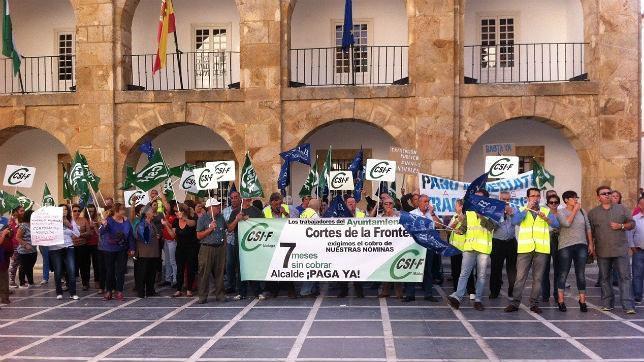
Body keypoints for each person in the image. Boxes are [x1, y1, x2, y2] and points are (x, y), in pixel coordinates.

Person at [505, 188, 560, 314]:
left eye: (537, 196)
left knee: (538, 278)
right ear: (528, 198)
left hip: (541, 249)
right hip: (525, 248)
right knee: (520, 278)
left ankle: (534, 303)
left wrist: (546, 219)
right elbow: (515, 221)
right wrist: (526, 209)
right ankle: (515, 303)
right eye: (532, 196)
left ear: (540, 197)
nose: (535, 198)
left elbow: (556, 225)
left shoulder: (546, 210)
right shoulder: (521, 210)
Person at [588, 186, 636, 314]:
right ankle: (607, 303)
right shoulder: (593, 213)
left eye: (609, 193)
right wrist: (591, 246)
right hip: (602, 251)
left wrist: (621, 226)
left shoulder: (622, 209)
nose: (607, 195)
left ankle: (628, 306)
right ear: (598, 197)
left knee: (625, 277)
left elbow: (632, 224)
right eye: (604, 194)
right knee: (604, 278)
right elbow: (590, 232)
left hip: (620, 250)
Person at [447, 190, 495, 311]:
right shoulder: (469, 212)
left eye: (479, 198)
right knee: (464, 274)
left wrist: (481, 216)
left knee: (481, 275)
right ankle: (458, 297)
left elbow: (492, 227)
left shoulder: (492, 211)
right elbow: (464, 228)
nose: (476, 200)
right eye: (475, 198)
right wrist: (460, 231)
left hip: (483, 249)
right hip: (469, 247)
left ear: (485, 200)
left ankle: (478, 300)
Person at [555, 190, 593, 312]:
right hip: (566, 246)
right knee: (563, 273)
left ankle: (582, 301)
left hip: (581, 244)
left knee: (581, 274)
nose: (576, 200)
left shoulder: (582, 211)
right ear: (566, 200)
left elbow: (588, 227)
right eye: (573, 198)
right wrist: (575, 210)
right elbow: (566, 223)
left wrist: (590, 243)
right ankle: (560, 301)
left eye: (576, 197)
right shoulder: (560, 212)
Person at [403, 194, 442, 302]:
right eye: (425, 201)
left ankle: (428, 294)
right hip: (415, 246)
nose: (427, 204)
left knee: (428, 270)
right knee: (412, 269)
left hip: (428, 246)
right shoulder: (412, 214)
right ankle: (410, 295)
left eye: (428, 202)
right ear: (419, 203)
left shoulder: (431, 214)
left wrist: (432, 213)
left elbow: (440, 226)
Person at [226, 197, 264, 300]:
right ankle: (241, 292)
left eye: (248, 198)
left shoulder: (257, 211)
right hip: (239, 244)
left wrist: (250, 220)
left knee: (253, 267)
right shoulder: (235, 212)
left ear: (251, 199)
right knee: (240, 268)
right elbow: (229, 229)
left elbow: (264, 226)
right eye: (244, 197)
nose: (246, 200)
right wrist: (237, 219)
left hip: (253, 244)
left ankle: (258, 291)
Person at [262, 192, 297, 299]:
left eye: (280, 203)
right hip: (271, 242)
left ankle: (290, 290)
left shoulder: (289, 208)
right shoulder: (265, 211)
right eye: (276, 204)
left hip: (285, 241)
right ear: (271, 203)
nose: (279, 206)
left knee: (286, 266)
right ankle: (273, 290)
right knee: (272, 266)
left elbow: (296, 223)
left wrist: (286, 214)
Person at [99, 203, 135, 301]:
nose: (124, 211)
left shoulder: (126, 221)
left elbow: (130, 235)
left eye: (124, 209)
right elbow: (101, 232)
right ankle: (109, 291)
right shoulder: (108, 220)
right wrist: (104, 225)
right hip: (109, 249)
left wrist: (132, 248)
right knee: (110, 271)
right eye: (122, 209)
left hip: (122, 249)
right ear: (116, 211)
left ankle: (119, 292)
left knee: (121, 271)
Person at [196, 198, 227, 304]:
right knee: (204, 272)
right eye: (216, 206)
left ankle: (220, 294)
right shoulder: (202, 219)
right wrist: (209, 229)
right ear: (210, 208)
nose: (218, 207)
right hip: (206, 248)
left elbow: (228, 229)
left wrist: (237, 219)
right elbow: (199, 236)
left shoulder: (221, 218)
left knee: (220, 272)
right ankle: (203, 296)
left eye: (218, 205)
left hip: (220, 247)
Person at [49, 204, 80, 300]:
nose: (64, 211)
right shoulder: (52, 221)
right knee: (58, 271)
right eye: (62, 209)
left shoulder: (71, 221)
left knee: (71, 270)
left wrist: (69, 225)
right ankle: (59, 292)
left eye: (66, 209)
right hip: (55, 248)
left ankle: (73, 293)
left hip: (68, 247)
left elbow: (77, 234)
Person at [336, 196, 366, 298]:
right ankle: (343, 291)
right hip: (344, 246)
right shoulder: (341, 214)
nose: (352, 204)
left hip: (357, 246)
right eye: (349, 203)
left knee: (358, 270)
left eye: (353, 203)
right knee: (343, 269)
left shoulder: (360, 213)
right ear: (345, 204)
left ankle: (359, 291)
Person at [489, 191, 517, 299]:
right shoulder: (494, 211)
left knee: (512, 268)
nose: (506, 202)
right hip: (498, 242)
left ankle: (512, 289)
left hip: (511, 241)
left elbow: (518, 222)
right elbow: (492, 227)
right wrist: (501, 215)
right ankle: (494, 291)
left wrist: (512, 214)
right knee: (496, 268)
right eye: (503, 199)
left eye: (508, 200)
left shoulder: (514, 210)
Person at [448, 199, 476, 299]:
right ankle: (457, 291)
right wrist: (457, 220)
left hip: (466, 248)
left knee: (467, 271)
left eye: (456, 205)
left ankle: (471, 291)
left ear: (461, 207)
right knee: (456, 271)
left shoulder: (469, 217)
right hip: (454, 248)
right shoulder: (455, 216)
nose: (455, 207)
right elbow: (448, 229)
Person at [169, 203, 198, 297]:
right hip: (180, 248)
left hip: (191, 248)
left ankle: (189, 289)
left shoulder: (192, 218)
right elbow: (173, 235)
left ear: (183, 211)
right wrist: (166, 225)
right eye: (175, 212)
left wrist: (184, 218)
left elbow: (192, 224)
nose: (176, 213)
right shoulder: (175, 221)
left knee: (190, 269)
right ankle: (178, 289)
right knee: (179, 269)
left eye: (177, 211)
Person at [378, 195, 403, 299]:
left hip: (397, 246)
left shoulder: (399, 215)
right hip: (385, 247)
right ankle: (385, 291)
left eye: (390, 203)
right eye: (386, 203)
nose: (388, 205)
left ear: (393, 205)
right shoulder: (380, 217)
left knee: (397, 268)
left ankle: (399, 293)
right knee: (386, 269)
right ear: (382, 205)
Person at [134, 205, 162, 298]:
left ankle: (150, 290)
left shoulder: (151, 223)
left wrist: (156, 236)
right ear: (146, 214)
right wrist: (154, 236)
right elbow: (144, 237)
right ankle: (141, 291)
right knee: (143, 272)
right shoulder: (142, 224)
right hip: (144, 252)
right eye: (151, 211)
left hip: (152, 252)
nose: (153, 212)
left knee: (151, 272)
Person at [299, 198, 321, 298]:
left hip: (304, 243)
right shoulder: (314, 215)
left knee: (308, 268)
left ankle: (311, 289)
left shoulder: (304, 213)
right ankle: (306, 290)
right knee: (312, 268)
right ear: (317, 206)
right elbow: (320, 230)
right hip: (312, 245)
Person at [541, 194, 561, 302]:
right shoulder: (544, 212)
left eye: (556, 202)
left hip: (558, 240)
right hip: (546, 239)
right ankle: (545, 294)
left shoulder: (561, 213)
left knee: (558, 268)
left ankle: (557, 294)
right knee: (545, 269)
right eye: (551, 202)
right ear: (548, 204)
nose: (553, 204)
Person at [223, 191, 242, 294]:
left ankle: (241, 286)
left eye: (236, 197)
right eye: (232, 197)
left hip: (242, 241)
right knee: (229, 264)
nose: (234, 199)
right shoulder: (225, 211)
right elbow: (225, 227)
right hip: (229, 241)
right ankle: (230, 285)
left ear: (240, 198)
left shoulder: (244, 209)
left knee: (240, 265)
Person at [72, 204, 93, 290]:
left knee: (84, 266)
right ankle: (69, 284)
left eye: (78, 211)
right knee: (71, 266)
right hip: (71, 247)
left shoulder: (84, 220)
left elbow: (89, 233)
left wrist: (80, 234)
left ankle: (85, 283)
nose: (77, 212)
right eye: (75, 211)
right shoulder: (68, 221)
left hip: (82, 246)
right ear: (71, 211)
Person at [15, 210, 38, 288]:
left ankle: (31, 282)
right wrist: (25, 244)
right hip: (24, 251)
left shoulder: (35, 225)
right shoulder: (23, 226)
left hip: (33, 250)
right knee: (23, 267)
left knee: (30, 266)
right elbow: (17, 237)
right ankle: (22, 283)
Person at [629, 196, 644, 304]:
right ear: (639, 206)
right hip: (639, 251)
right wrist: (633, 248)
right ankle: (637, 296)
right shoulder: (634, 219)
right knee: (637, 274)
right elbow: (630, 235)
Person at [83, 205, 102, 290]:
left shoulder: (97, 220)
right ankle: (85, 282)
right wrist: (88, 229)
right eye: (89, 211)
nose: (91, 213)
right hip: (85, 244)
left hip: (96, 244)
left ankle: (97, 281)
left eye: (92, 211)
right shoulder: (83, 220)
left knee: (97, 264)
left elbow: (99, 234)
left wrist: (94, 227)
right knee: (85, 264)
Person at [8, 206, 25, 289]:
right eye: (21, 211)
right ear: (16, 212)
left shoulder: (22, 221)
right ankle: (11, 281)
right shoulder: (11, 221)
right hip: (15, 245)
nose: (23, 212)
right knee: (14, 263)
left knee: (22, 264)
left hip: (22, 245)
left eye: (23, 211)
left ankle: (22, 280)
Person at [1, 219, 13, 304]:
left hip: (4, 262)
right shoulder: (4, 238)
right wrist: (3, 234)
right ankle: (5, 298)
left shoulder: (8, 240)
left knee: (4, 280)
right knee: (3, 280)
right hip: (2, 263)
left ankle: (5, 297)